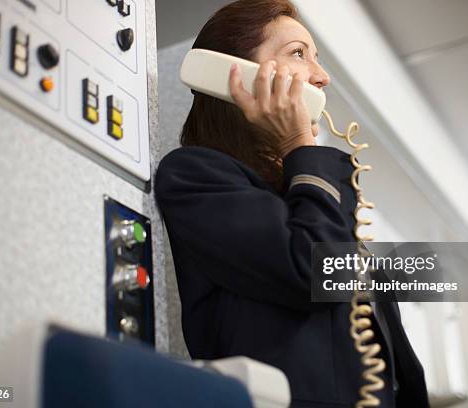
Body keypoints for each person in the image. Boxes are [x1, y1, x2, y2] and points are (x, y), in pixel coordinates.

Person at [154, 1, 429, 406]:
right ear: (238, 75)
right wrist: (300, 144)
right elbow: (314, 274)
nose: (322, 76)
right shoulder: (193, 176)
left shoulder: (310, 192)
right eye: (298, 54)